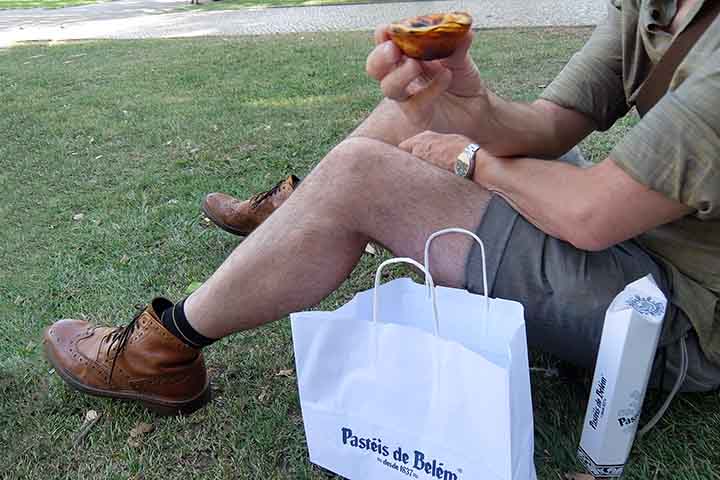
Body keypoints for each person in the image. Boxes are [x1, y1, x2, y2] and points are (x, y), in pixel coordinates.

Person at [43, 0, 720, 415]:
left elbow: (591, 215)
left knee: (362, 175)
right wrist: (466, 103)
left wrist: (471, 156)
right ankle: (293, 217)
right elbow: (547, 127)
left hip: (675, 320)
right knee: (411, 111)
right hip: (632, 240)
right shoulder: (657, 5)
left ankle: (163, 354)